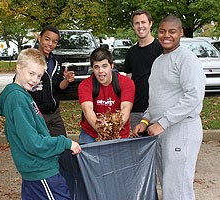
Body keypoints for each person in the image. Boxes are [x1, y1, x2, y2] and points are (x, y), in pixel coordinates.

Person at [133, 15, 206, 200]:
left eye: (172, 31)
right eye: (162, 31)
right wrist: (145, 120)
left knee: (177, 188)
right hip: (160, 132)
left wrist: (163, 123)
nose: (166, 35)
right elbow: (156, 100)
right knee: (167, 184)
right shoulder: (158, 62)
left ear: (181, 33)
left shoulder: (186, 59)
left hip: (181, 130)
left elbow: (194, 97)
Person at [0, 48, 81, 200]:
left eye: (39, 76)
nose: (35, 79)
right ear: (19, 68)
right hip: (41, 171)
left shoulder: (23, 95)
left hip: (35, 171)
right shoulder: (18, 99)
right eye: (31, 73)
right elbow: (33, 143)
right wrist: (65, 142)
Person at [78, 47, 135, 144]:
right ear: (92, 68)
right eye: (96, 67)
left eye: (104, 66)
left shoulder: (126, 83)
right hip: (92, 132)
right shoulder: (85, 85)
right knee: (85, 156)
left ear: (112, 66)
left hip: (119, 132)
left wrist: (112, 131)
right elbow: (87, 109)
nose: (100, 71)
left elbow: (126, 108)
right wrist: (102, 130)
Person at [30, 25, 75, 137]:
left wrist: (66, 80)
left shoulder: (56, 61)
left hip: (54, 113)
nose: (50, 44)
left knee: (62, 144)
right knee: (41, 148)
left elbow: (59, 87)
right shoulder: (30, 58)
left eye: (54, 42)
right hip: (36, 114)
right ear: (39, 38)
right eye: (47, 39)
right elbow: (19, 83)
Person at [124, 9, 163, 130]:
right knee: (138, 147)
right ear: (133, 26)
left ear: (150, 23)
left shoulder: (161, 49)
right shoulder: (131, 53)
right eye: (137, 23)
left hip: (158, 109)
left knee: (159, 147)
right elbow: (128, 81)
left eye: (143, 22)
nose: (140, 26)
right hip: (136, 109)